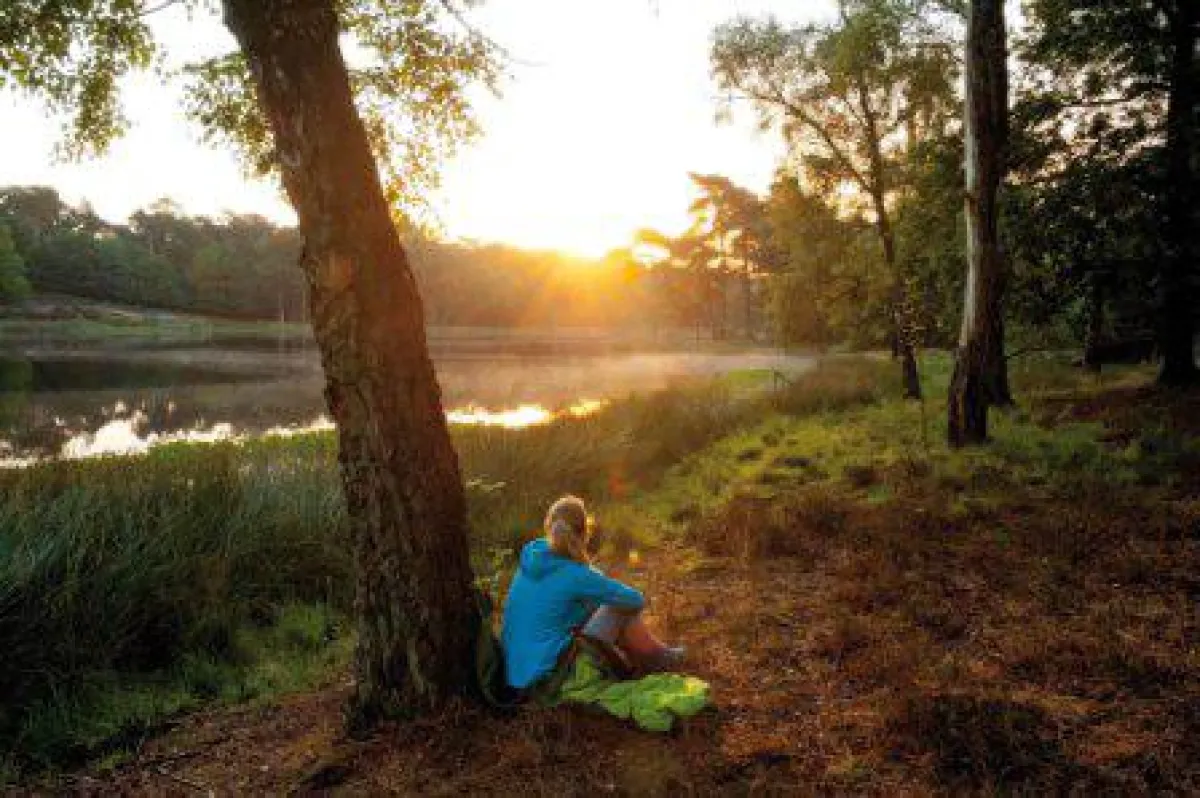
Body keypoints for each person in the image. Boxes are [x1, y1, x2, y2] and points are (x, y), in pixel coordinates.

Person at [501, 495, 685, 693]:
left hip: (515, 676)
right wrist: (596, 586)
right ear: (584, 533)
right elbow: (635, 599)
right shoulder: (575, 574)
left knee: (595, 606)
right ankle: (656, 657)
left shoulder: (531, 561)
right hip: (549, 677)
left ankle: (649, 658)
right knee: (619, 606)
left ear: (549, 528)